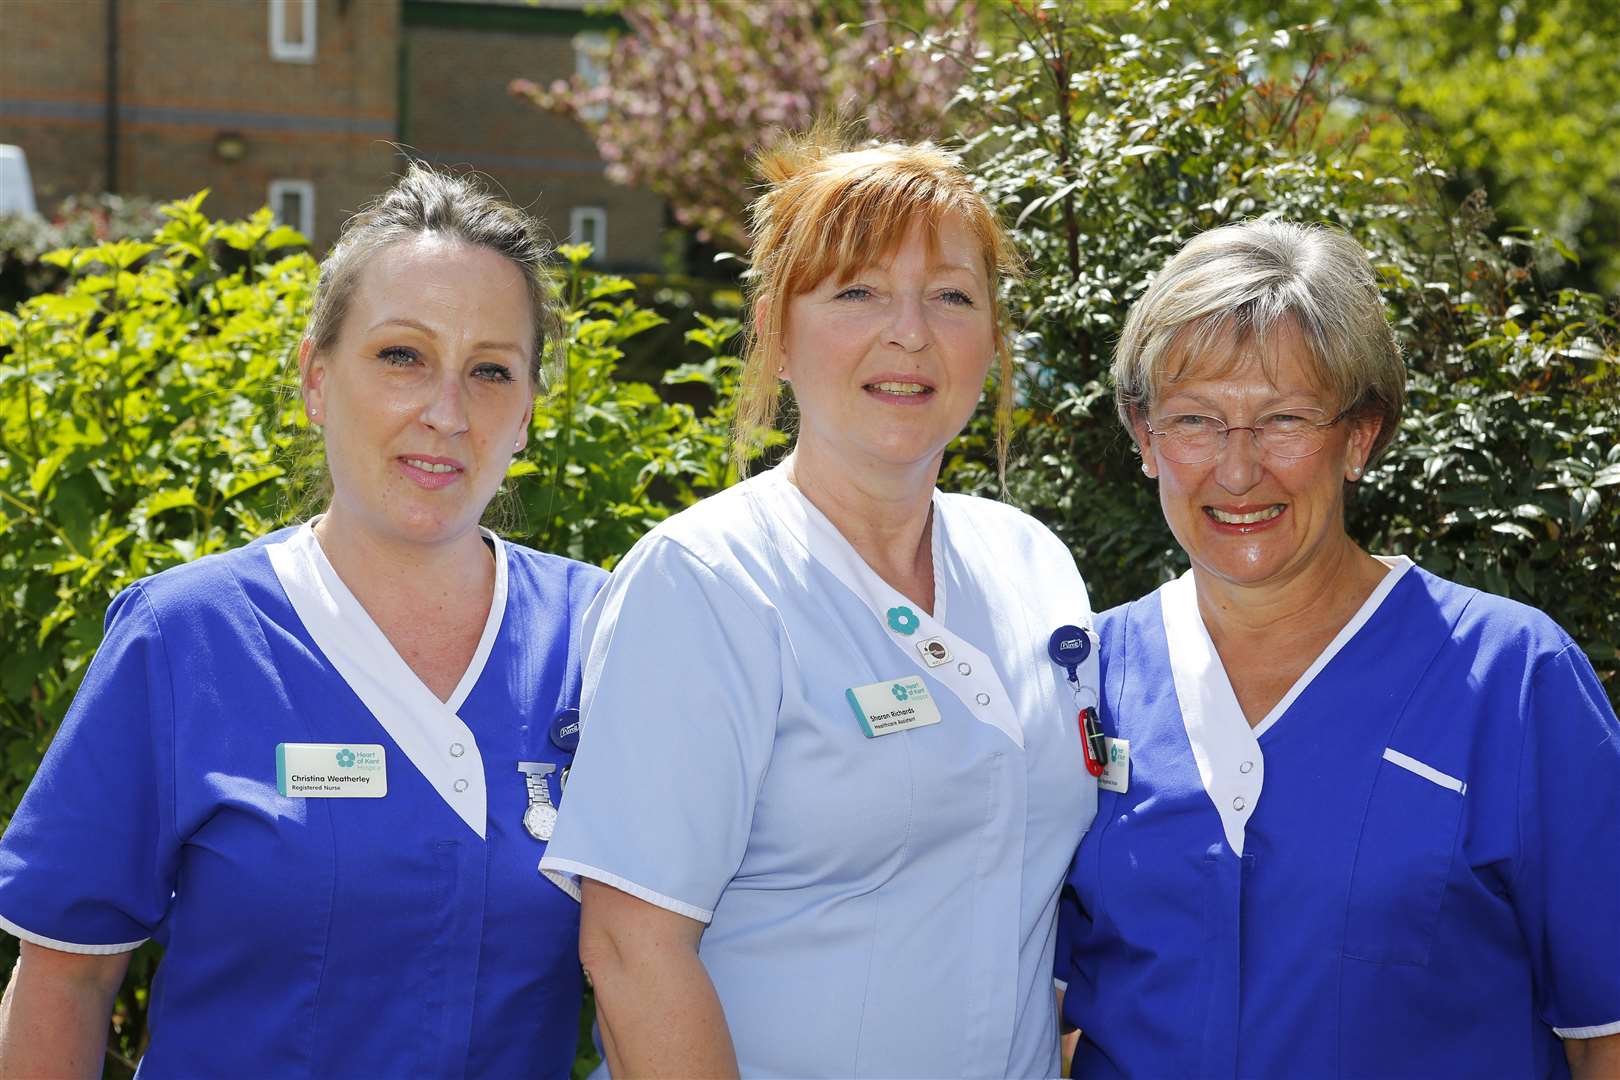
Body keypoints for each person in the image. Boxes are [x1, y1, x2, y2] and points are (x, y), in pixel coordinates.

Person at [0, 165, 605, 1078]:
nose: (446, 412)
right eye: (402, 356)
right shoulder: (184, 639)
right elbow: (65, 981)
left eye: (490, 371)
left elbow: (673, 960)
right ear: (317, 379)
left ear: (526, 414)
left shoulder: (602, 635)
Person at [539, 135, 1099, 1078]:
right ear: (776, 334)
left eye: (953, 296)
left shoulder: (1031, 565)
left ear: (993, 340)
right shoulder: (705, 583)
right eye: (858, 291)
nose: (910, 333)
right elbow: (634, 954)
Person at [1056, 220, 1620, 1079]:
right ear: (1143, 437)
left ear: (1359, 437)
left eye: (1285, 419)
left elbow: (1604, 1029)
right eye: (1196, 420)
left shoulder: (1512, 679)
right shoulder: (1088, 680)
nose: (1238, 471)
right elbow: (1045, 1011)